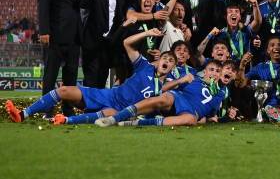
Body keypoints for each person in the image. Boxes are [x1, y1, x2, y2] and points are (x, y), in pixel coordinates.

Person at [5, 28, 177, 125]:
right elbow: (126, 43)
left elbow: (154, 110)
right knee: (64, 90)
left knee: (109, 113)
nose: (167, 61)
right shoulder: (144, 67)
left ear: (173, 67)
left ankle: (65, 120)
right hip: (107, 95)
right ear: (158, 60)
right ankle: (22, 114)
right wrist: (147, 34)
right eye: (165, 58)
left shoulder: (166, 89)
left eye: (171, 61)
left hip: (120, 111)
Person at [96, 60, 227, 127]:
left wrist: (204, 117)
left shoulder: (220, 92)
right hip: (178, 98)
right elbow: (164, 85)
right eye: (211, 70)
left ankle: (135, 123)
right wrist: (181, 80)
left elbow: (210, 111)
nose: (214, 73)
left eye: (217, 71)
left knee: (190, 120)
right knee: (165, 98)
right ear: (205, 71)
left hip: (190, 111)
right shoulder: (192, 76)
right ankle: (115, 118)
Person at [37, 0, 83, 117]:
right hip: (54, 37)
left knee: (70, 77)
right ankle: (47, 111)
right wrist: (44, 31)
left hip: (74, 38)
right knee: (50, 76)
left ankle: (68, 111)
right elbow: (43, 8)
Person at [80, 0, 126, 88]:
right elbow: (83, 3)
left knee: (102, 77)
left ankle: (99, 106)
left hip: (110, 44)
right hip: (92, 43)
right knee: (90, 79)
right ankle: (89, 108)